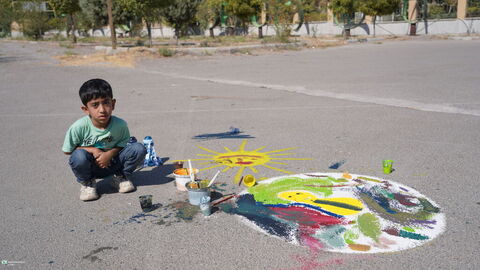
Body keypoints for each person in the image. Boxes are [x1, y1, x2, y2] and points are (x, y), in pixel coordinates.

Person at [62, 79, 146, 201]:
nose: (102, 109)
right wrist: (92, 149)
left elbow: (124, 145)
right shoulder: (78, 127)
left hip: (113, 163)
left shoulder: (120, 125)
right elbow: (68, 150)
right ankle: (87, 183)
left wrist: (109, 154)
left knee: (138, 148)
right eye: (95, 105)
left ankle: (120, 177)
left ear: (113, 104)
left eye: (106, 103)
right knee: (79, 156)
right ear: (86, 109)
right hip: (91, 167)